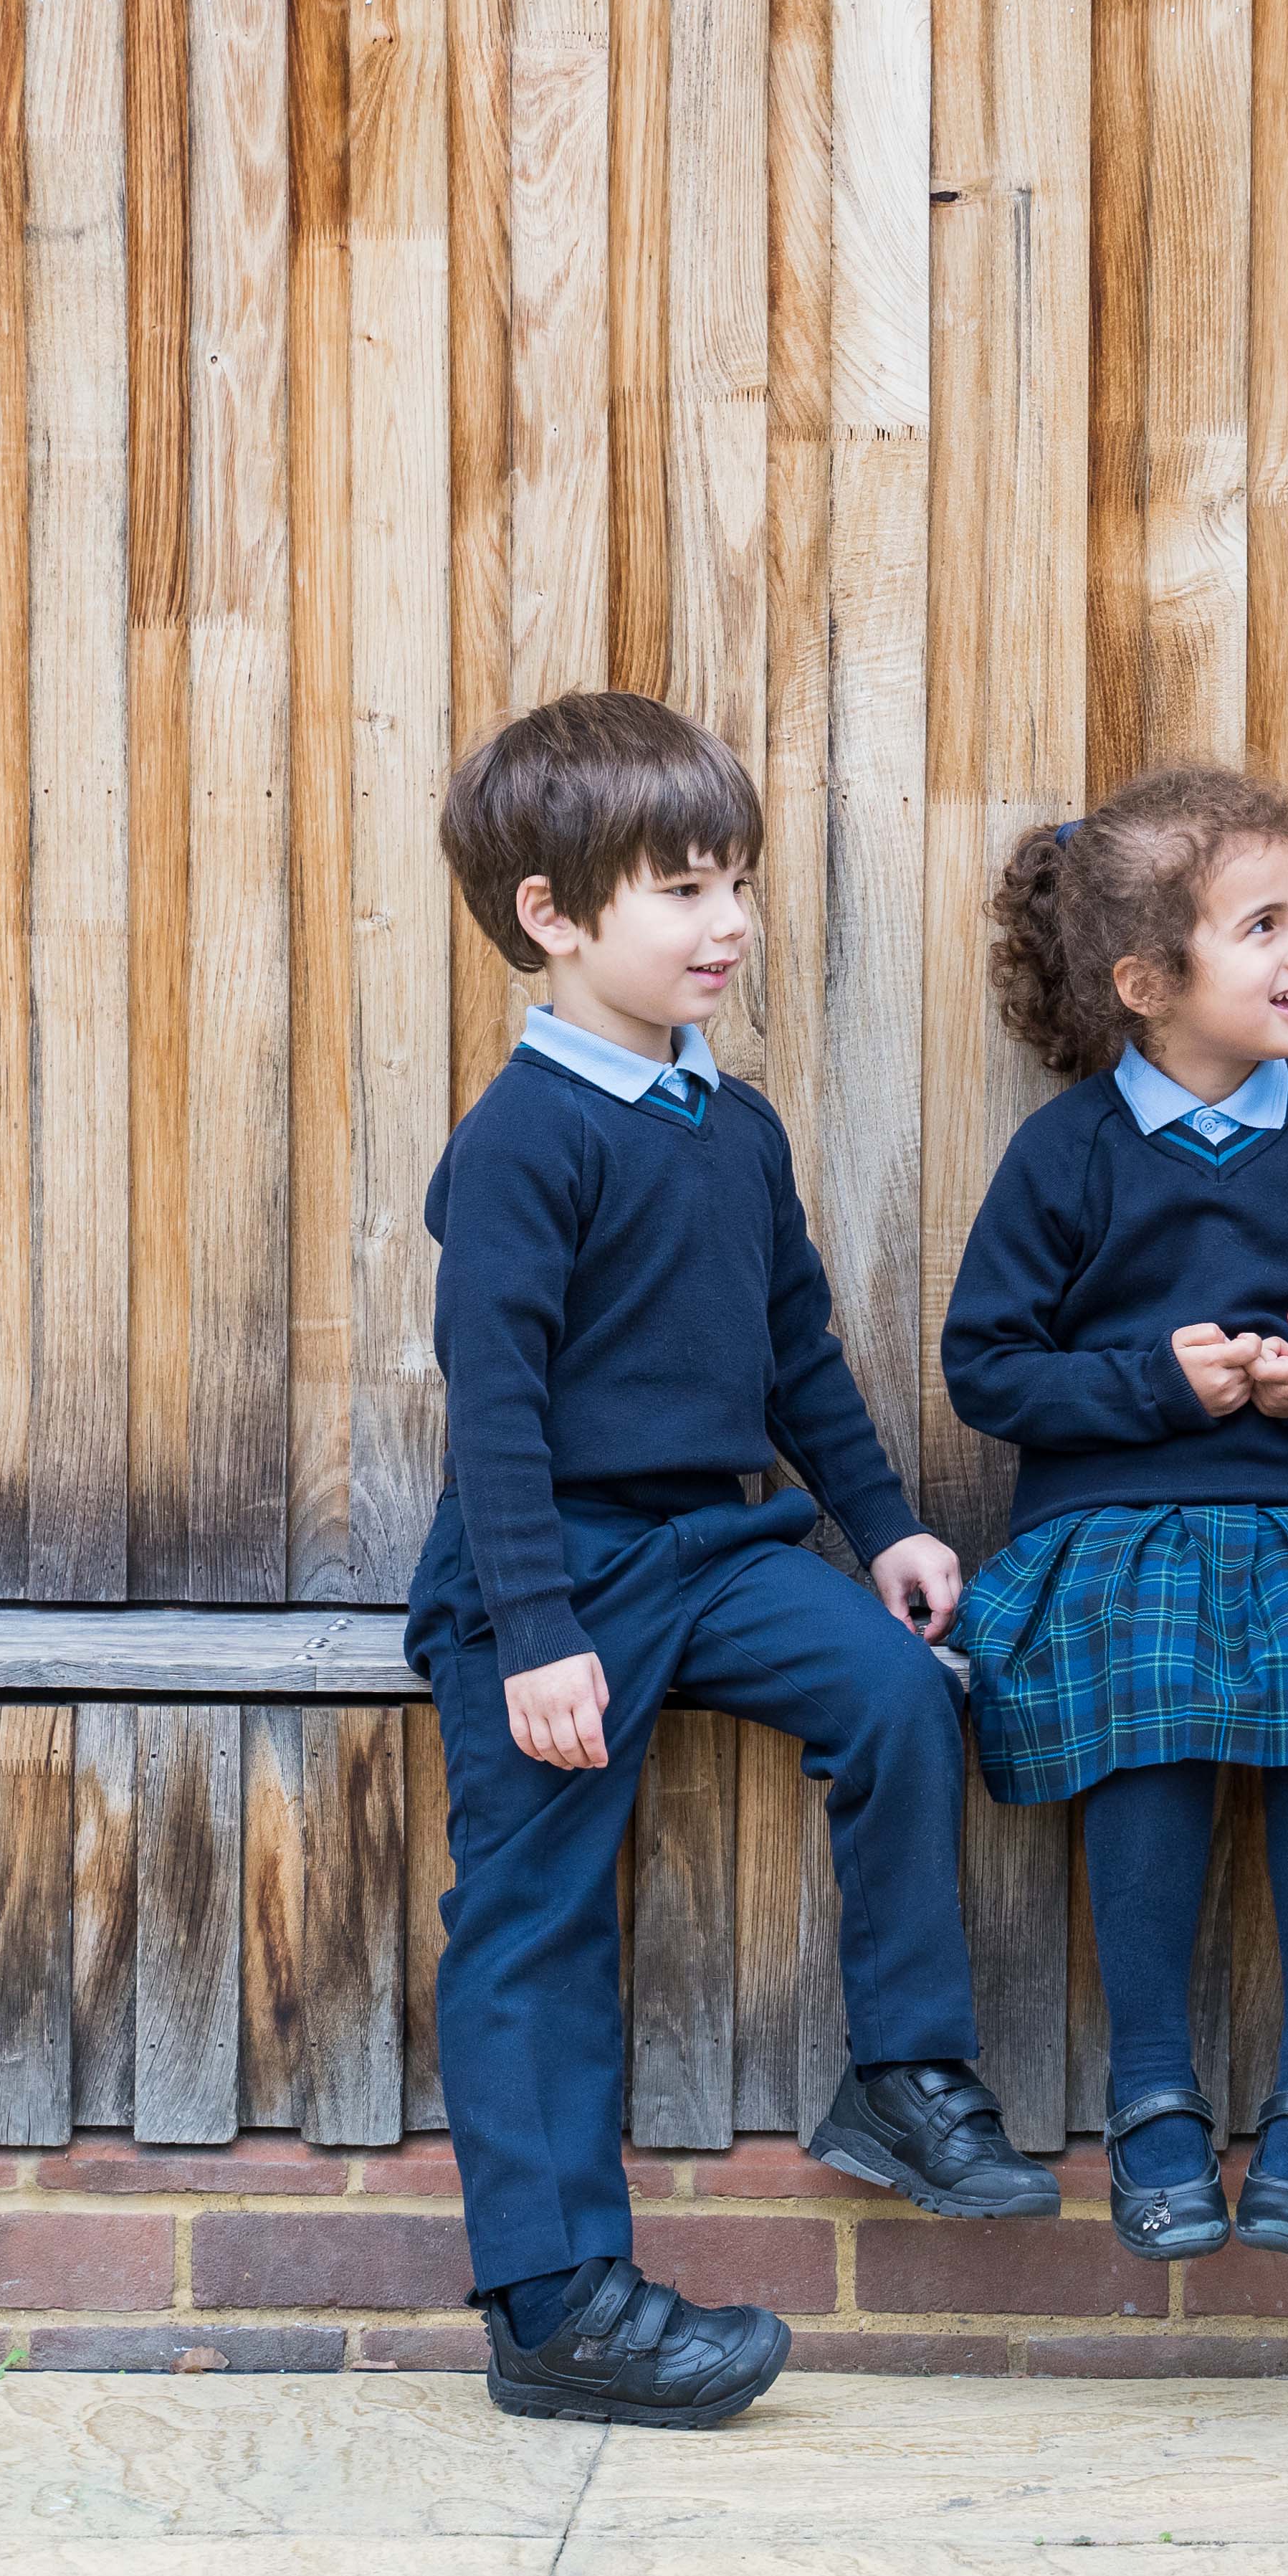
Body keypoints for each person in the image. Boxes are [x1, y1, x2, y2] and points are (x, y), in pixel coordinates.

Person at [406, 690, 1059, 2428]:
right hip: (549, 1577)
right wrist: (539, 1633)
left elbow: (798, 1359)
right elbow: (495, 1413)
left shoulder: (732, 1123)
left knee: (898, 1700)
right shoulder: (524, 1142)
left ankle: (905, 2076)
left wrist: (893, 1524)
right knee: (534, 1918)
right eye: (682, 889)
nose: (730, 922)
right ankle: (557, 2302)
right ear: (551, 914)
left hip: (720, 1543)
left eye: (738, 881)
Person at [940, 768, 1288, 2262]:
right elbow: (986, 1368)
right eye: (1260, 924)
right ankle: (1153, 2099)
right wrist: (1149, 1382)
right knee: (1150, 1691)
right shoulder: (1066, 1155)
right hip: (1113, 1521)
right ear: (1146, 980)